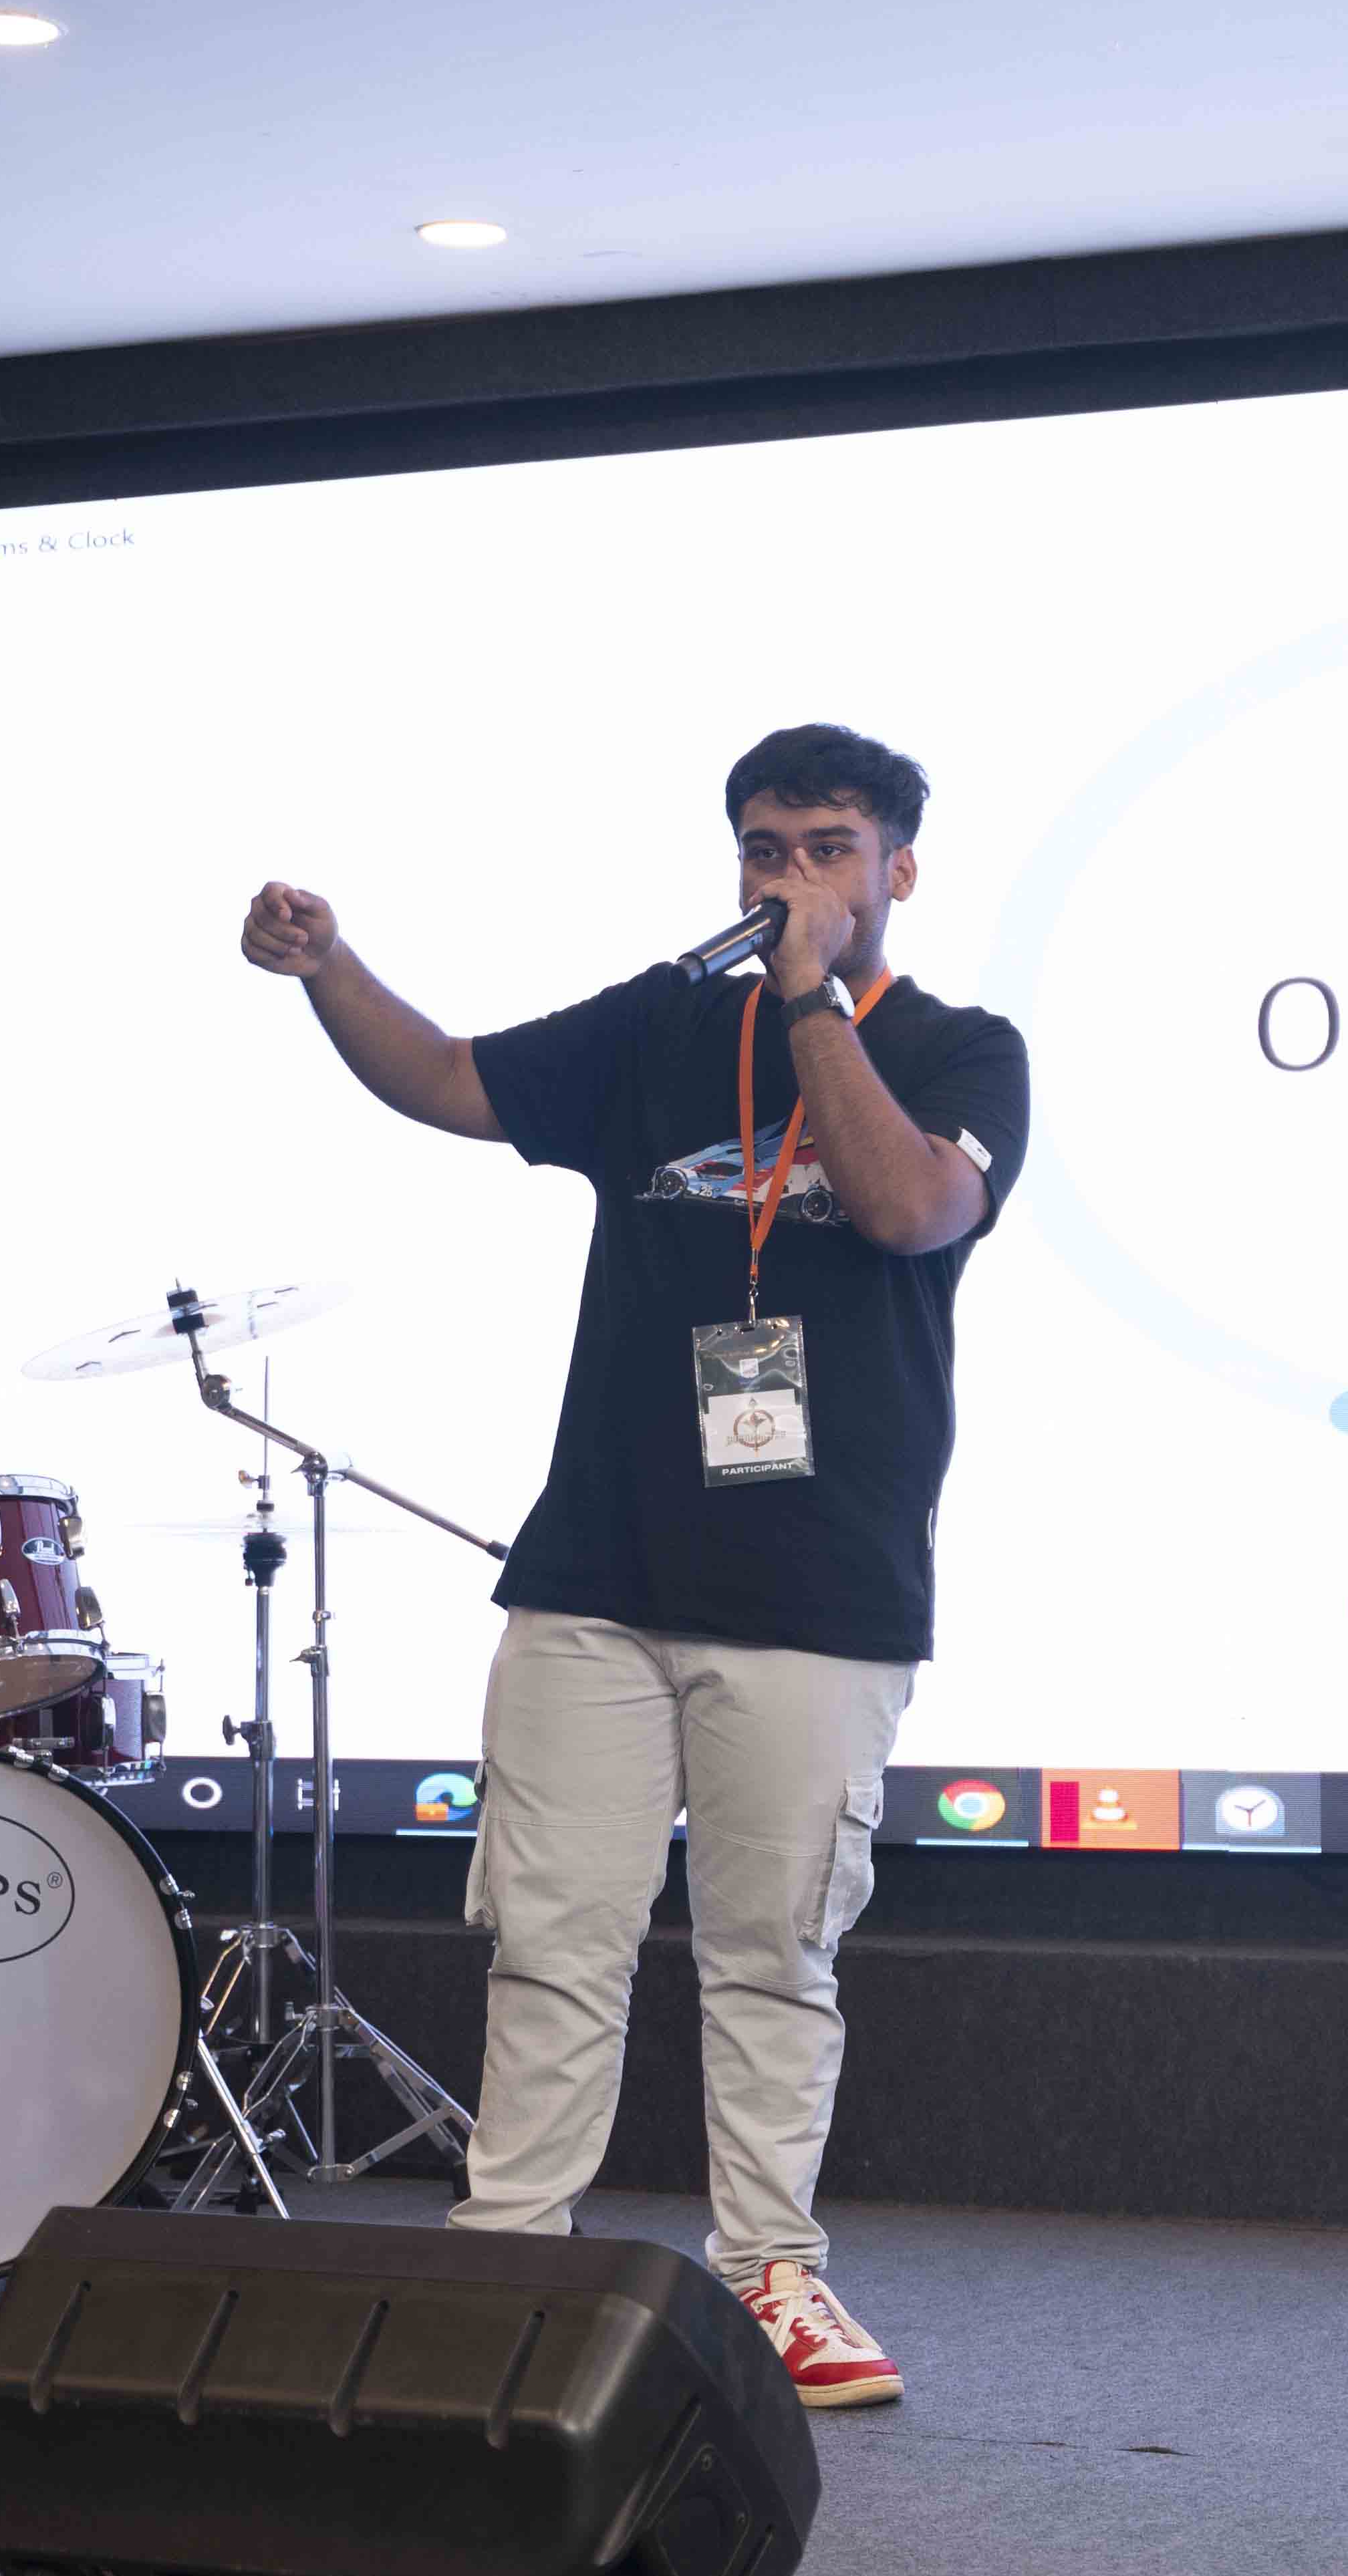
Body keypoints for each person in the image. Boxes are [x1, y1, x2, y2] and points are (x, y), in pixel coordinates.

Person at [239, 721, 1030, 2412]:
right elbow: (452, 1078)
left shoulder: (964, 1048)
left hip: (819, 1589)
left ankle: (773, 2274)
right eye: (764, 847)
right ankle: (509, 2257)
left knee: (772, 1952)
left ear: (899, 866)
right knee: (551, 1935)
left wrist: (811, 1000)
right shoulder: (666, 1022)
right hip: (596, 1567)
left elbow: (908, 1209)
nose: (788, 877)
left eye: (827, 847)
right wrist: (329, 969)